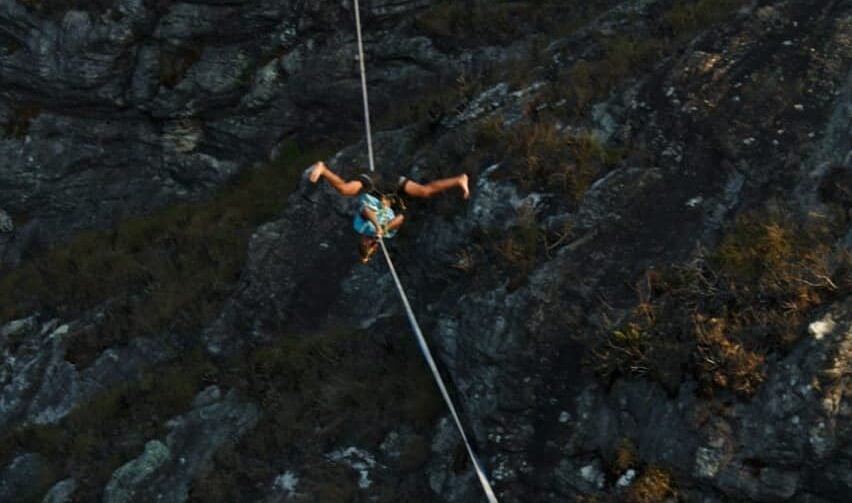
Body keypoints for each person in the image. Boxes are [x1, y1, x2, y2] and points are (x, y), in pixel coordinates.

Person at [308, 161, 470, 263]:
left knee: (345, 189)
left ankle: (322, 169)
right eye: (374, 247)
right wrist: (384, 229)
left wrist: (377, 226)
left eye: (369, 245)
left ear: (363, 242)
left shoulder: (360, 227)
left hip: (373, 185)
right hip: (393, 189)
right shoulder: (386, 235)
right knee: (424, 191)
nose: (373, 244)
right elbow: (400, 218)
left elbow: (366, 211)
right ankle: (459, 179)